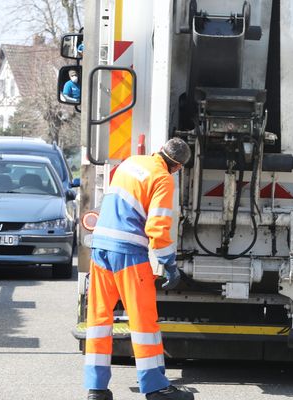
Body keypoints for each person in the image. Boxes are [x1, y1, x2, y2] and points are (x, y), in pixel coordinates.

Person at [84, 138, 193, 400]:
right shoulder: (163, 179)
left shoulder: (131, 163)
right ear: (177, 166)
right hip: (128, 254)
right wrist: (169, 264)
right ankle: (156, 388)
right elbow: (157, 228)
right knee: (144, 323)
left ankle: (96, 389)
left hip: (100, 248)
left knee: (99, 320)